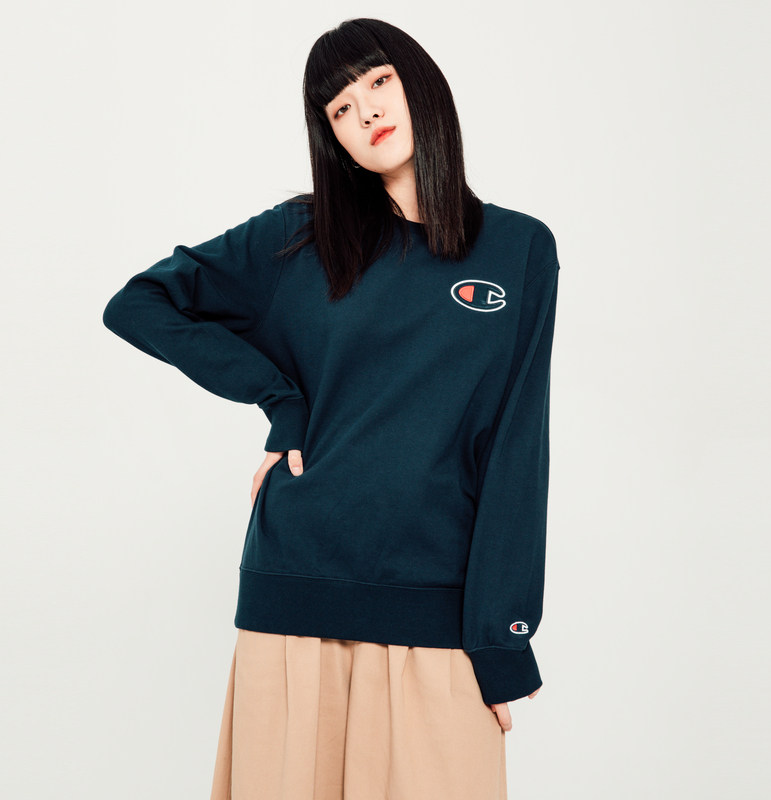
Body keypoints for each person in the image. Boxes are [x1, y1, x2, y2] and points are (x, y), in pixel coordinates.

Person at [102, 17, 561, 800]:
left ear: (421, 85)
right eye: (340, 108)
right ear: (333, 137)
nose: (366, 110)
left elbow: (517, 449)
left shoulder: (519, 250)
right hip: (295, 595)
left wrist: (502, 639)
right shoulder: (301, 237)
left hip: (436, 614)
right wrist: (281, 400)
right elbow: (140, 304)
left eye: (379, 82)